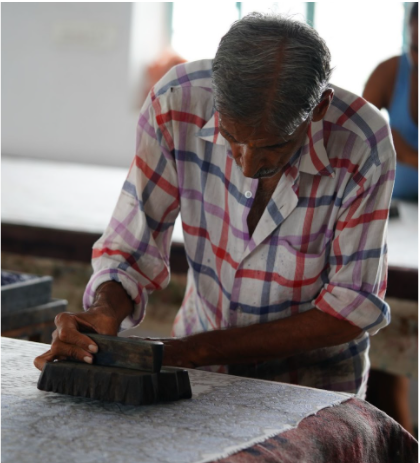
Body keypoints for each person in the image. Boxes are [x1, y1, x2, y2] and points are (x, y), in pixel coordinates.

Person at [34, 13, 395, 399]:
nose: (249, 163)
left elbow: (350, 308)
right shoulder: (177, 104)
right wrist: (104, 310)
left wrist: (195, 350)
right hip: (197, 362)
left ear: (319, 107)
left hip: (313, 379)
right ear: (216, 96)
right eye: (232, 137)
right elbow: (130, 248)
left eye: (274, 145)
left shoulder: (362, 145)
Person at [363, 3, 418, 434]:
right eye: (415, 43)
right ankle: (397, 435)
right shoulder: (390, 73)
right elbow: (351, 137)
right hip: (399, 219)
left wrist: (410, 155)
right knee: (381, 327)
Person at [363, 2, 418, 201]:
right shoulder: (388, 72)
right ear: (411, 25)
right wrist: (387, 138)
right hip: (397, 207)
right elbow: (356, 134)